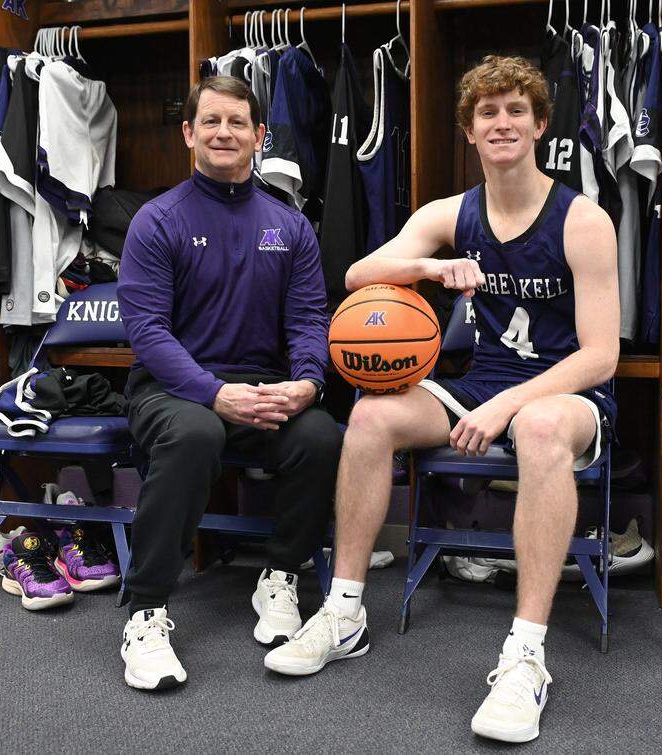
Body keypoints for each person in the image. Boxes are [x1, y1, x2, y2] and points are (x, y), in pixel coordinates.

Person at [263, 56, 619, 743]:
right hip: (481, 382)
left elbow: (600, 356)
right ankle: (344, 611)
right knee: (371, 413)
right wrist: (429, 265)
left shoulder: (583, 221)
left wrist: (509, 406)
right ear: (469, 130)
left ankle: (525, 656)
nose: (502, 123)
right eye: (488, 112)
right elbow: (358, 273)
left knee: (540, 427)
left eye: (516, 110)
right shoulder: (454, 213)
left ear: (540, 125)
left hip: (566, 393)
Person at [117, 76, 341, 691]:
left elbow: (308, 319)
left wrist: (308, 383)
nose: (224, 133)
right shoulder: (157, 220)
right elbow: (147, 332)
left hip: (262, 387)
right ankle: (144, 611)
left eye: (237, 122)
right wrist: (213, 393)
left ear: (260, 136)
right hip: (171, 390)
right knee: (196, 434)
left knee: (320, 435)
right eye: (211, 122)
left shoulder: (290, 225)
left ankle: (281, 575)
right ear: (188, 133)